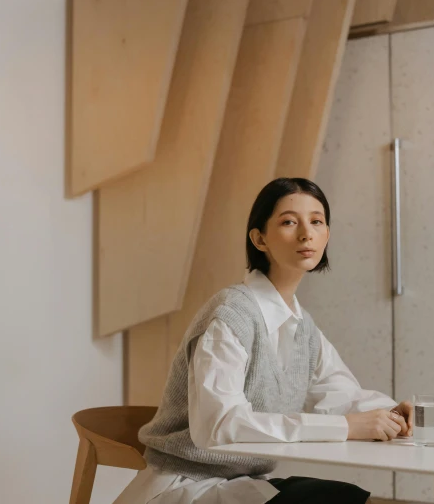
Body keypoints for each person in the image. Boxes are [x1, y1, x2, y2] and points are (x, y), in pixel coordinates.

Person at [114, 177, 413, 504]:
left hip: (246, 485)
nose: (305, 233)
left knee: (359, 498)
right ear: (259, 239)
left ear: (327, 234)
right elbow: (221, 426)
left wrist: (392, 412)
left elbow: (339, 394)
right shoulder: (231, 315)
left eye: (317, 221)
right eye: (288, 222)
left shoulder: (303, 327)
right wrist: (346, 427)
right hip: (185, 486)